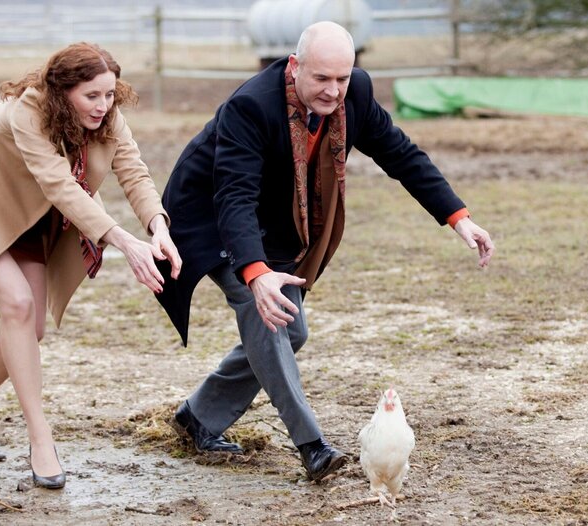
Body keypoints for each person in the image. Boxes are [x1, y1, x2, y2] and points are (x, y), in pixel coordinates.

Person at [154, 21, 494, 481]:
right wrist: (255, 272)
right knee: (269, 316)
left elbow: (400, 153)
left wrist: (459, 217)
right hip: (210, 220)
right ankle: (312, 445)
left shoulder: (355, 96)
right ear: (294, 67)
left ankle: (198, 416)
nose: (334, 91)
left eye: (343, 78)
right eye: (322, 78)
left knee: (291, 333)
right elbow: (233, 195)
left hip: (271, 219)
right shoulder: (250, 106)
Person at [0, 42, 182, 490]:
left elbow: (134, 172)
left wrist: (158, 226)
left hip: (30, 216)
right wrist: (119, 239)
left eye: (110, 94)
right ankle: (42, 440)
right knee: (16, 306)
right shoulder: (26, 113)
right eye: (91, 96)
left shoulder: (108, 117)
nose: (103, 105)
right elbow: (60, 184)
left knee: (30, 325)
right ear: (62, 91)